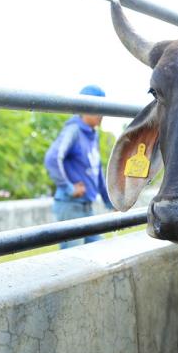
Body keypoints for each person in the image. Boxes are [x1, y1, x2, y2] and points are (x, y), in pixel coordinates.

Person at [44, 85, 114, 248]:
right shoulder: (73, 130)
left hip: (86, 207)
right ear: (85, 108)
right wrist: (69, 188)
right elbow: (52, 158)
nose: (102, 114)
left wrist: (109, 202)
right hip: (70, 206)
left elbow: (97, 172)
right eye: (99, 108)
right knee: (73, 260)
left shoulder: (93, 134)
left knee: (99, 251)